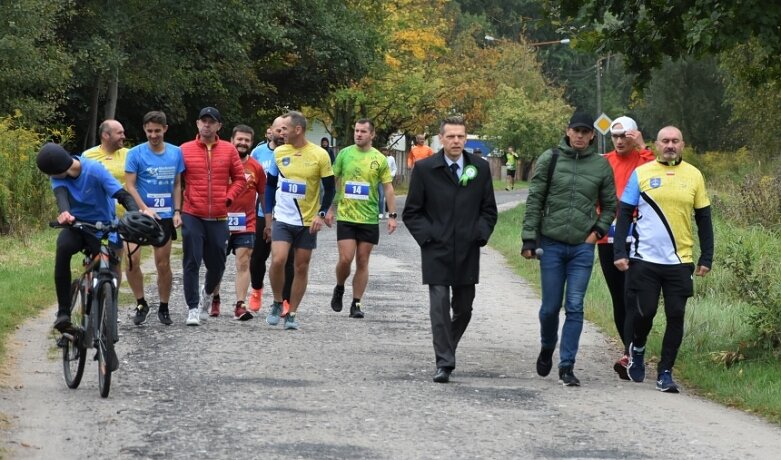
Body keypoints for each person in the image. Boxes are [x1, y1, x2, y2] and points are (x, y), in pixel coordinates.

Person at [613, 126, 713, 393]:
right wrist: (620, 252)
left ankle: (665, 372)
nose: (670, 145)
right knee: (645, 312)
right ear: (656, 145)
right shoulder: (642, 173)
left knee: (676, 315)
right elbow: (624, 214)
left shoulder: (694, 175)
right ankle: (639, 348)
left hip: (680, 260)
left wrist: (707, 256)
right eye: (665, 141)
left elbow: (704, 218)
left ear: (683, 144)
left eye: (675, 141)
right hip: (645, 258)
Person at [521, 112, 617, 387]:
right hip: (550, 245)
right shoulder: (550, 158)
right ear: (567, 131)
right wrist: (529, 239)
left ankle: (567, 366)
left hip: (581, 248)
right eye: (576, 130)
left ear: (591, 136)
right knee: (550, 308)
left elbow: (610, 205)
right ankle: (547, 345)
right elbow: (534, 199)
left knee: (574, 306)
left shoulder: (600, 166)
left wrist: (596, 233)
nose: (579, 135)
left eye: (585, 132)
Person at [403, 116, 497, 383]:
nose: (456, 141)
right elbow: (412, 212)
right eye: (451, 136)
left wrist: (480, 234)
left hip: (468, 249)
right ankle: (444, 362)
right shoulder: (424, 169)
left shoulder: (479, 168)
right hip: (436, 249)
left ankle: (447, 347)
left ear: (465, 139)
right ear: (441, 139)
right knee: (439, 305)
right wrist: (429, 236)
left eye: (461, 136)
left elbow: (488, 209)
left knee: (464, 309)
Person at [36, 143, 140, 333]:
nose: (50, 177)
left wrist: (134, 214)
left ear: (60, 169)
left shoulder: (94, 170)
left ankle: (107, 312)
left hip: (105, 227)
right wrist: (65, 214)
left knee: (111, 266)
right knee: (63, 248)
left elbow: (122, 195)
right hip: (78, 227)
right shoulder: (57, 178)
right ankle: (63, 313)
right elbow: (62, 200)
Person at [264, 110, 335, 330]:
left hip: (307, 221)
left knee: (301, 267)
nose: (280, 132)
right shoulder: (279, 153)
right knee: (278, 260)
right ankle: (277, 301)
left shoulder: (320, 155)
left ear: (298, 129)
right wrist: (268, 217)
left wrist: (321, 214)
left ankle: (292, 312)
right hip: (283, 218)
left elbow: (331, 189)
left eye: (284, 128)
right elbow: (269, 186)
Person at [597, 116, 655, 379]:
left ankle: (631, 351)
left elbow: (657, 177)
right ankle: (628, 351)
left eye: (625, 137)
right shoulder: (604, 161)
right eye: (615, 137)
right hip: (608, 237)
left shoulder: (644, 159)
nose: (620, 142)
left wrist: (642, 146)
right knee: (618, 297)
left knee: (634, 297)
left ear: (634, 136)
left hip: (638, 237)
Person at [180, 107, 247, 326]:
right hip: (192, 213)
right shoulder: (185, 149)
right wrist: (178, 207)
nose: (206, 125)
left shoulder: (229, 150)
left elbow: (239, 179)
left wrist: (228, 198)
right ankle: (192, 307)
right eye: (203, 121)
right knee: (192, 260)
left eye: (211, 122)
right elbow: (176, 179)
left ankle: (207, 293)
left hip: (219, 215)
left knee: (217, 264)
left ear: (219, 126)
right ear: (197, 124)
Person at [326, 119, 397, 319]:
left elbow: (388, 188)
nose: (358, 134)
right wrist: (329, 208)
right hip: (346, 215)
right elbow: (333, 181)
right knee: (345, 258)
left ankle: (356, 303)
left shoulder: (379, 159)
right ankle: (339, 286)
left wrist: (392, 215)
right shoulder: (345, 154)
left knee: (363, 261)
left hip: (368, 218)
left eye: (363, 131)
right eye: (356, 130)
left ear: (372, 135)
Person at [124, 111, 184, 326]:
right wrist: (143, 207)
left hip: (165, 215)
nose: (153, 135)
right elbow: (129, 185)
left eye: (157, 131)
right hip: (139, 216)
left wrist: (177, 211)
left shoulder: (176, 153)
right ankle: (141, 302)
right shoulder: (135, 153)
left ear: (165, 129)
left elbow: (177, 184)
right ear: (144, 130)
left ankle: (164, 306)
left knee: (163, 264)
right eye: (149, 131)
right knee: (131, 261)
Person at [211, 124, 266, 321]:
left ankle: (240, 305)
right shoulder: (220, 162)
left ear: (251, 143)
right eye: (239, 139)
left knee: (244, 261)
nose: (242, 143)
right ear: (232, 140)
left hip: (246, 222)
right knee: (217, 264)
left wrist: (267, 221)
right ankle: (215, 298)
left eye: (247, 140)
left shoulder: (256, 167)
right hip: (220, 221)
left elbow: (263, 195)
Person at [248, 118, 295, 313]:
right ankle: (257, 289)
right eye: (279, 129)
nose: (282, 132)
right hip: (261, 212)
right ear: (271, 130)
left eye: (286, 129)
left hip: (288, 214)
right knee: (259, 256)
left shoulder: (296, 153)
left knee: (287, 259)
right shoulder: (259, 152)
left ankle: (286, 300)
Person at [83, 119, 130, 285]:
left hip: (120, 218)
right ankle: (88, 298)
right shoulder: (88, 156)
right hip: (94, 216)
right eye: (119, 133)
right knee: (92, 258)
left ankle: (112, 304)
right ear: (105, 135)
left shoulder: (128, 154)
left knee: (116, 260)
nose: (123, 136)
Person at [377, 147, 397, 218]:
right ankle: (380, 212)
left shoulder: (391, 158)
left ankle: (387, 211)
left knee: (388, 196)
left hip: (388, 180)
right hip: (380, 180)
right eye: (383, 151)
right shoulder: (378, 158)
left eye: (386, 151)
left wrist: (392, 174)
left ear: (388, 152)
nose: (385, 153)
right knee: (381, 196)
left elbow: (394, 168)